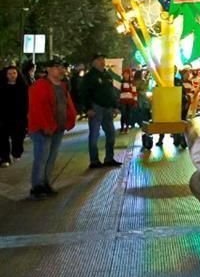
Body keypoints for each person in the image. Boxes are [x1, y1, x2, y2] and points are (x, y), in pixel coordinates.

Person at [27, 60, 77, 198]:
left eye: (62, 67)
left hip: (57, 127)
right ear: (48, 69)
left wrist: (70, 118)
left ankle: (45, 183)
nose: (61, 70)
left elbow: (66, 103)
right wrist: (45, 125)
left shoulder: (62, 85)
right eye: (57, 67)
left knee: (51, 157)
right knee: (41, 157)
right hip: (42, 128)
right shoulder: (39, 86)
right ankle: (37, 186)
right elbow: (37, 108)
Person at [78, 54, 121, 169]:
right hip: (96, 108)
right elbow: (84, 93)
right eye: (99, 60)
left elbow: (111, 92)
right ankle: (94, 160)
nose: (102, 61)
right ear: (93, 62)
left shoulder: (107, 75)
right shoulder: (89, 77)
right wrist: (88, 108)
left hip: (107, 108)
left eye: (103, 59)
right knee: (94, 135)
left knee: (111, 133)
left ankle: (109, 158)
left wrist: (115, 106)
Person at [0, 65, 29, 166]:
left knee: (18, 137)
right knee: (3, 138)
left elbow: (27, 103)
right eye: (9, 74)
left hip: (19, 117)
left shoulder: (23, 87)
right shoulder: (2, 87)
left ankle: (16, 153)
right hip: (3, 117)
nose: (12, 75)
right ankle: (5, 158)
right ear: (6, 75)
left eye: (14, 73)